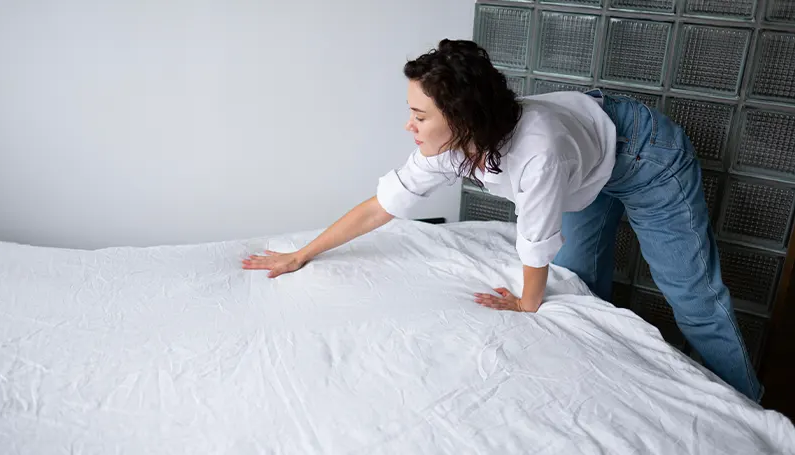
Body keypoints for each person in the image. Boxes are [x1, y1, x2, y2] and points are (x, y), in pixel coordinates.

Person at [241, 39, 762, 403]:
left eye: (419, 115)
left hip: (644, 154)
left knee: (690, 295)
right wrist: (303, 253)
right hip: (586, 155)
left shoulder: (536, 153)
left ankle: (747, 407)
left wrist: (525, 302)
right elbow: (382, 205)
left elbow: (535, 244)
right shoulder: (447, 147)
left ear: (462, 118)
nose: (409, 125)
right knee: (579, 282)